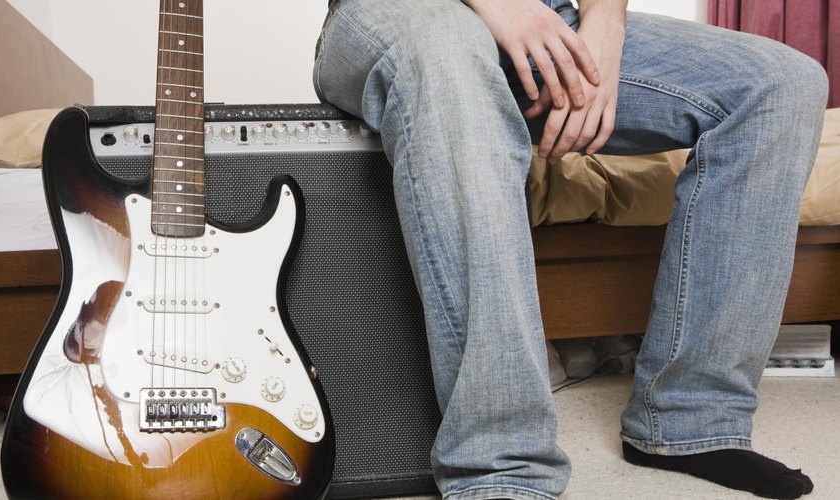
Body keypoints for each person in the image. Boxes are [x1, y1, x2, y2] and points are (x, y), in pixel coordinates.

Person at [313, 0, 828, 498]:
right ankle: (503, 463)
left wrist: (605, 26)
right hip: (402, 12)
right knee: (449, 49)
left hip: (549, 15)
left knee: (781, 84)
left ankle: (692, 422)